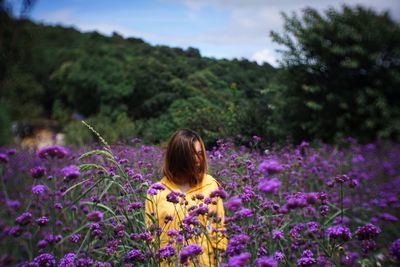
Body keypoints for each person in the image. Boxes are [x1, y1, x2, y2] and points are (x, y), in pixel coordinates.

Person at [145, 129, 228, 266]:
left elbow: (218, 230)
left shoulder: (210, 185)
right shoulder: (155, 192)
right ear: (178, 157)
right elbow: (151, 240)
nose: (197, 160)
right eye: (192, 155)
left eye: (200, 153)